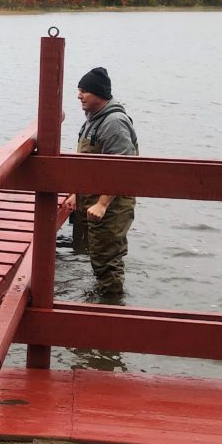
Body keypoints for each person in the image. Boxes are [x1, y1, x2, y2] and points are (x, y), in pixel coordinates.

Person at [67, 66, 138, 299]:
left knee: (108, 260)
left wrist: (103, 204)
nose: (79, 95)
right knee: (98, 256)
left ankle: (111, 307)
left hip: (111, 206)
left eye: (84, 91)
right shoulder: (92, 120)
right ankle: (103, 299)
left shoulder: (113, 122)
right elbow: (85, 164)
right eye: (79, 90)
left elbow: (124, 169)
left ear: (99, 94)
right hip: (92, 202)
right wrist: (75, 192)